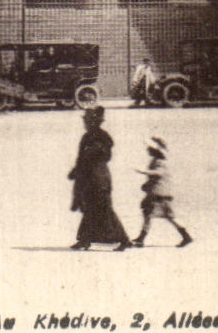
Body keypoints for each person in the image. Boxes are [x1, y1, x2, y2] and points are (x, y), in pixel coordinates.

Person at [67, 106, 131, 251]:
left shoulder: (100, 138)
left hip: (98, 178)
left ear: (93, 122)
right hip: (91, 177)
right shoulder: (89, 137)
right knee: (89, 208)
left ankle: (124, 239)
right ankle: (85, 240)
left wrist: (80, 167)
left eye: (87, 120)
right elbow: (82, 158)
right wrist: (76, 170)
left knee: (103, 209)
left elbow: (97, 156)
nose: (85, 123)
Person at [133, 137, 193, 248]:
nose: (147, 150)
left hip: (160, 194)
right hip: (159, 193)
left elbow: (158, 174)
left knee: (155, 216)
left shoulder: (160, 162)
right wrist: (146, 185)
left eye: (149, 148)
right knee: (156, 215)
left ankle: (141, 239)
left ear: (154, 150)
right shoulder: (157, 161)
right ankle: (186, 236)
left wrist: (143, 171)